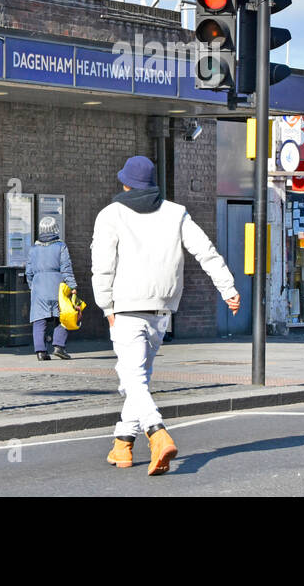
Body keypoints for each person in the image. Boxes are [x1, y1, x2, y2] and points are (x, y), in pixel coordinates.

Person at [91, 155, 240, 475]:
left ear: (125, 182)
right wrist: (228, 289)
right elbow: (206, 251)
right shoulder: (176, 213)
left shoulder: (111, 214)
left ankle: (157, 433)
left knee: (132, 378)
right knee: (138, 377)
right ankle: (122, 444)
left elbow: (102, 265)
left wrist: (105, 306)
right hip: (163, 308)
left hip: (126, 307)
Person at [26, 216, 77, 360]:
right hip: (57, 286)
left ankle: (40, 352)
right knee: (64, 316)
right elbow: (66, 268)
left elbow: (28, 272)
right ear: (56, 229)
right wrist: (72, 286)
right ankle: (59, 346)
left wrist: (33, 286)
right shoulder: (61, 246)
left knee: (39, 319)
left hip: (39, 287)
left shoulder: (33, 249)